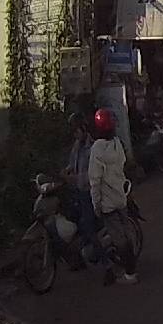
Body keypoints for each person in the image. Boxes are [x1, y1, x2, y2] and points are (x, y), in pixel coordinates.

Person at [87, 108, 138, 285]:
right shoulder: (117, 144)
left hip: (108, 202)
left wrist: (96, 203)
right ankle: (130, 267)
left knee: (119, 239)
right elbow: (123, 165)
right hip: (121, 196)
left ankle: (130, 273)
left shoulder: (97, 149)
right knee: (126, 233)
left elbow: (95, 180)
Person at [63, 114, 100, 266]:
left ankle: (107, 265)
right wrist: (66, 172)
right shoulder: (77, 146)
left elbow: (93, 173)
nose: (75, 134)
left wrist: (76, 178)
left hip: (91, 192)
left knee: (89, 226)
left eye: (76, 130)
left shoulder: (93, 147)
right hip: (80, 191)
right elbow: (72, 163)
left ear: (84, 129)